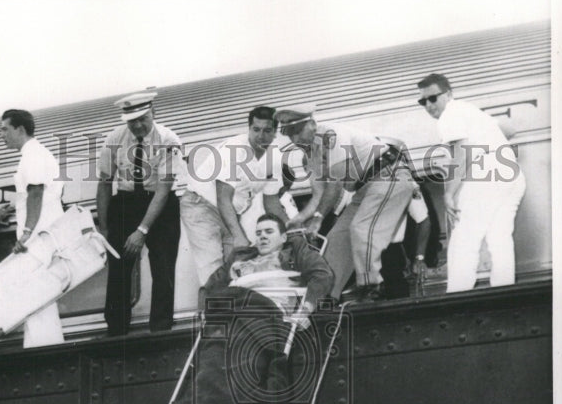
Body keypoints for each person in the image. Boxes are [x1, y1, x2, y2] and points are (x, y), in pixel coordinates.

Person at [275, 106, 414, 302]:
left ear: (313, 124)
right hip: (366, 188)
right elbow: (318, 195)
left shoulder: (331, 135)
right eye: (290, 134)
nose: (296, 139)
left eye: (298, 131)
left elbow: (335, 185)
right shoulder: (310, 155)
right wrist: (297, 221)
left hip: (390, 175)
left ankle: (371, 285)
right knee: (336, 237)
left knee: (361, 229)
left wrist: (317, 219)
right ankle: (326, 296)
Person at [416, 73, 526, 293]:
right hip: (511, 176)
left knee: (464, 238)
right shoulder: (470, 110)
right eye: (423, 101)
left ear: (448, 94)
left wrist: (449, 194)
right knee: (499, 237)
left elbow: (462, 153)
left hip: (487, 176)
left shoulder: (450, 115)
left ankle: (457, 297)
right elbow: (510, 129)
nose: (428, 105)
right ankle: (505, 294)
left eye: (433, 98)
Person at [96, 90, 182, 335]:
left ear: (153, 111)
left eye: (143, 118)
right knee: (118, 268)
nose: (138, 125)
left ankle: (161, 330)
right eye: (132, 121)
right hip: (125, 204)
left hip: (160, 205)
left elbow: (163, 191)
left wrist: (142, 230)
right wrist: (104, 229)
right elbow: (104, 184)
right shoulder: (114, 138)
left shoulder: (169, 140)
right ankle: (116, 332)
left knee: (163, 267)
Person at [177, 105, 286, 286]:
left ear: (275, 132)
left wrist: (291, 230)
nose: (261, 136)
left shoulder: (274, 157)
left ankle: (228, 312)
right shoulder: (234, 150)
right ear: (248, 128)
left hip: (229, 213)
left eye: (267, 131)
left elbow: (272, 201)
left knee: (236, 270)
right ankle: (209, 314)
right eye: (256, 129)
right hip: (200, 206)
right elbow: (223, 198)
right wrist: (238, 236)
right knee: (212, 270)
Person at [205, 213, 334, 321]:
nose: (262, 236)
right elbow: (211, 285)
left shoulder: (295, 252)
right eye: (259, 233)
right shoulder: (240, 256)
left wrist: (304, 311)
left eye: (269, 232)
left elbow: (322, 275)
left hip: (266, 311)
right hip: (233, 310)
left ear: (283, 238)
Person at [0, 108, 64, 254]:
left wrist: (27, 233)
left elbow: (36, 192)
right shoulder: (35, 153)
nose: (1, 135)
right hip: (46, 234)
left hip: (42, 237)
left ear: (20, 130)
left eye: (5, 129)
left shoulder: (33, 155)